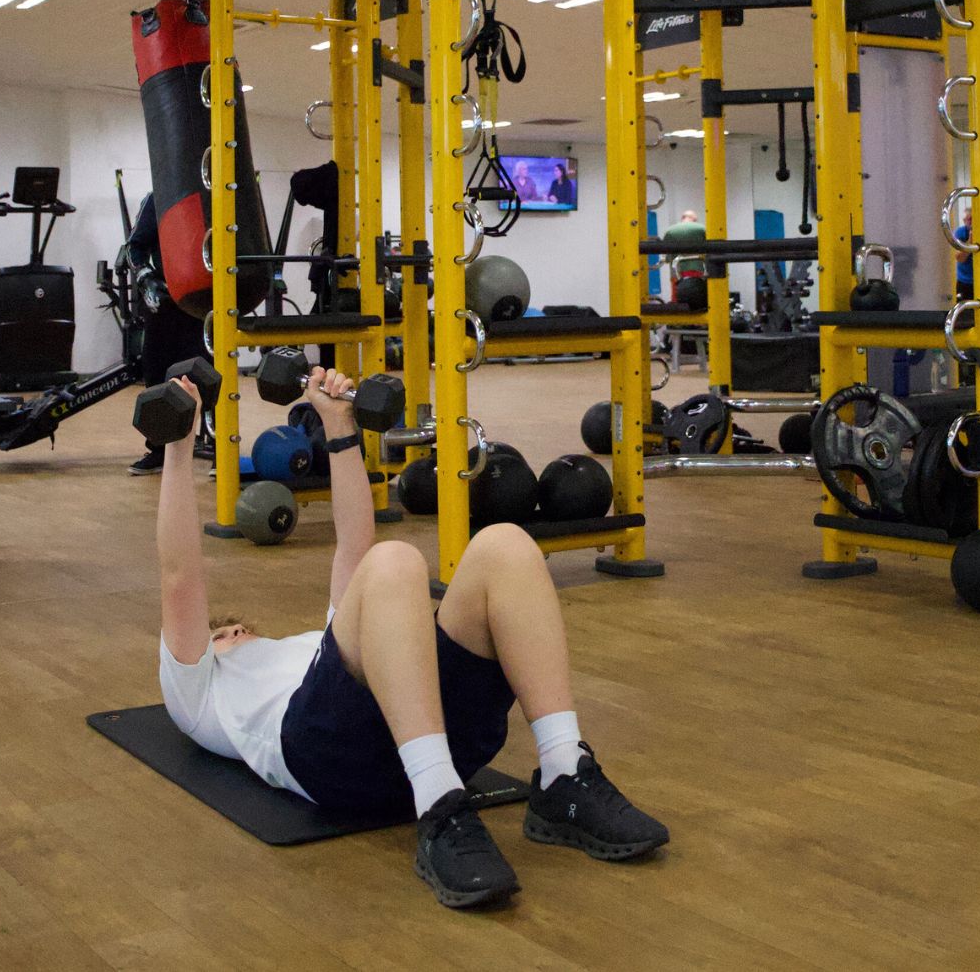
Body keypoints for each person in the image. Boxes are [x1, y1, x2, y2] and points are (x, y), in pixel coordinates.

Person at [157, 368, 669, 910]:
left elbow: (354, 543)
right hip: (330, 758)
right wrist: (178, 447)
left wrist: (340, 428)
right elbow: (180, 578)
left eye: (240, 626)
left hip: (440, 734)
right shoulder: (197, 695)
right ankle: (440, 805)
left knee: (505, 545)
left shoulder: (324, 643)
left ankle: (564, 770)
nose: (233, 631)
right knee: (395, 562)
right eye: (221, 634)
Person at [127, 193, 213, 475]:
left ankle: (220, 447)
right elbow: (135, 248)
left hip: (206, 300)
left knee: (210, 376)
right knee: (157, 372)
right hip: (165, 300)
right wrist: (146, 279)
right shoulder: (158, 196)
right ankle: (160, 448)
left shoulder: (222, 194)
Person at [662, 209, 706, 299]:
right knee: (697, 296)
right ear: (694, 219)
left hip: (676, 271)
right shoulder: (702, 229)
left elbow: (666, 255)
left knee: (677, 298)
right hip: (697, 270)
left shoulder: (670, 231)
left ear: (683, 218)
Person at [956, 209, 974, 301]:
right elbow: (960, 258)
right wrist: (970, 242)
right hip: (965, 282)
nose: (971, 222)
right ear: (964, 220)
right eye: (969, 219)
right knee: (964, 313)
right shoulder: (960, 232)